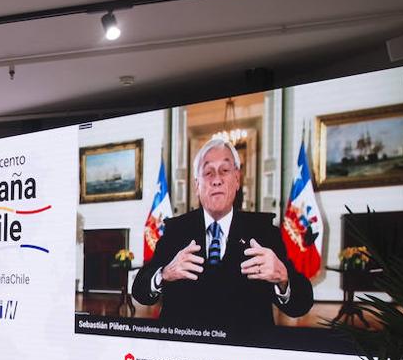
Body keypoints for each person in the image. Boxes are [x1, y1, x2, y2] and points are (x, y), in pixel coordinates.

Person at [132, 137, 313, 337]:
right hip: (184, 351)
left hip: (245, 352)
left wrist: (283, 279)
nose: (216, 179)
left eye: (225, 170)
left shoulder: (264, 232)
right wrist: (164, 273)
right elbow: (140, 292)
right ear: (196, 185)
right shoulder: (176, 230)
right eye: (208, 172)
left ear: (237, 179)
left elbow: (300, 306)